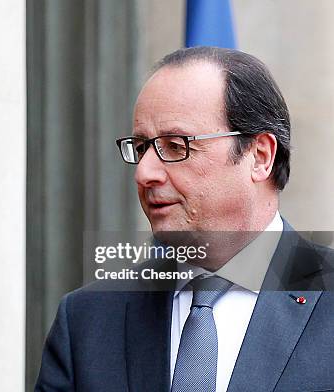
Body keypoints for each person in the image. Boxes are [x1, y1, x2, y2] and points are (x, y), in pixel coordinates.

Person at [36, 47, 334, 391]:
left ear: (260, 156)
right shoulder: (87, 321)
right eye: (142, 147)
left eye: (176, 146)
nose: (144, 173)